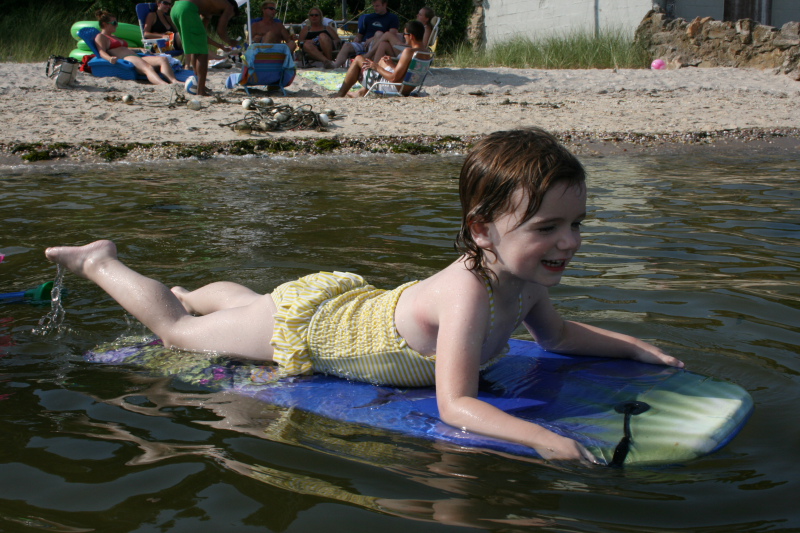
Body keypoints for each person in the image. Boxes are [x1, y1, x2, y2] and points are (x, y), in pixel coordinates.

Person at [45, 127, 683, 465]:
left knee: (250, 306)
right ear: (482, 230)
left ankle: (203, 295)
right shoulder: (469, 292)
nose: (568, 242)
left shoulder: (525, 281)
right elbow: (457, 404)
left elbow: (559, 337)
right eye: (546, 228)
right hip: (318, 331)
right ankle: (101, 262)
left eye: (576, 224)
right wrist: (542, 438)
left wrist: (633, 348)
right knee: (178, 333)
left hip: (347, 306)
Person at [336, 19, 427, 97]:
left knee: (358, 59)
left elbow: (393, 78)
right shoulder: (426, 53)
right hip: (406, 88)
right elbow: (405, 74)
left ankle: (340, 94)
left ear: (411, 36)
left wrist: (376, 67)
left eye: (405, 34)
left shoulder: (409, 52)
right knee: (383, 61)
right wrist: (391, 65)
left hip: (393, 88)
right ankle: (361, 92)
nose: (404, 36)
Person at [93, 9, 181, 85]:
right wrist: (109, 58)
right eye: (114, 23)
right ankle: (164, 84)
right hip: (126, 58)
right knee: (148, 68)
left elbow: (124, 48)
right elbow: (101, 51)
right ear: (104, 24)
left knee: (163, 59)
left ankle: (174, 81)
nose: (116, 25)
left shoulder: (113, 36)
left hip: (135, 56)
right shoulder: (101, 37)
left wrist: (139, 49)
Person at [171, 0, 240, 96]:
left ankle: (198, 84)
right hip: (187, 8)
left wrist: (219, 45)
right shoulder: (229, 6)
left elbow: (202, 36)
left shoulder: (207, 8)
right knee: (202, 53)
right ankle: (201, 90)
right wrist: (230, 41)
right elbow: (220, 30)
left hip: (176, 8)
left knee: (196, 49)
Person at [332, 0, 398, 69]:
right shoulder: (368, 18)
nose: (375, 8)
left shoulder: (392, 18)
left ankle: (371, 63)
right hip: (364, 43)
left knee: (379, 34)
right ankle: (335, 65)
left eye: (377, 6)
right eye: (374, 6)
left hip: (378, 43)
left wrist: (373, 38)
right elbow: (360, 34)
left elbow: (391, 34)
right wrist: (357, 38)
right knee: (347, 45)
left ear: (384, 5)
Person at [363, 6, 434, 61]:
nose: (417, 15)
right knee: (383, 44)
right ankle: (374, 68)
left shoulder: (426, 29)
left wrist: (406, 44)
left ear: (426, 19)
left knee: (387, 34)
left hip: (408, 52)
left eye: (420, 15)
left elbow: (422, 47)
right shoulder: (420, 27)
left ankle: (369, 55)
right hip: (406, 49)